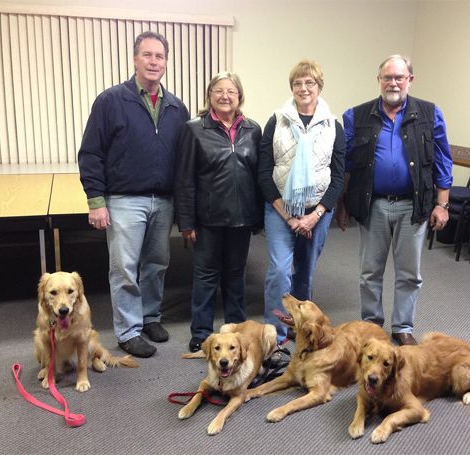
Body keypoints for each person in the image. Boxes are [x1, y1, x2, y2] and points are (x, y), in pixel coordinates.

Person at [78, 31, 189, 358]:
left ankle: (150, 317)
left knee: (156, 264)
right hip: (125, 199)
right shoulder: (111, 101)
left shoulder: (176, 107)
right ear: (135, 59)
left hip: (163, 200)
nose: (154, 61)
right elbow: (91, 152)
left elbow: (182, 160)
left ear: (166, 63)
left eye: (160, 56)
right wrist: (96, 200)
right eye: (148, 55)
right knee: (124, 267)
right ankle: (128, 331)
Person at [337, 54, 452, 346]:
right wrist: (342, 205)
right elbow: (346, 164)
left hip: (413, 206)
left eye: (399, 77)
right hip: (372, 204)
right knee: (369, 272)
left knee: (409, 272)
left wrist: (442, 204)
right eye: (387, 77)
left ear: (410, 80)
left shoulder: (429, 113)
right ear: (379, 80)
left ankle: (402, 326)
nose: (393, 83)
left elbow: (442, 161)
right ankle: (372, 326)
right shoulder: (356, 116)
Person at [258, 60, 345, 346]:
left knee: (305, 272)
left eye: (310, 83)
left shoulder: (334, 126)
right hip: (281, 210)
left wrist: (315, 215)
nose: (303, 88)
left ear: (319, 87)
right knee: (280, 271)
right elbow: (263, 171)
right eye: (298, 83)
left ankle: (302, 331)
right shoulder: (277, 120)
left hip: (317, 213)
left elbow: (338, 177)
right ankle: (276, 336)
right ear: (291, 87)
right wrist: (290, 216)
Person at [174, 72, 262, 352]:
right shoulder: (194, 129)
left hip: (241, 218)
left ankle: (235, 330)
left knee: (236, 275)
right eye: (219, 91)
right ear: (209, 95)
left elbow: (258, 175)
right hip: (207, 219)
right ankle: (201, 332)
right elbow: (184, 179)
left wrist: (257, 216)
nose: (225, 96)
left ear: (240, 96)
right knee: (206, 275)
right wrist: (186, 221)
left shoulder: (253, 129)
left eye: (231, 91)